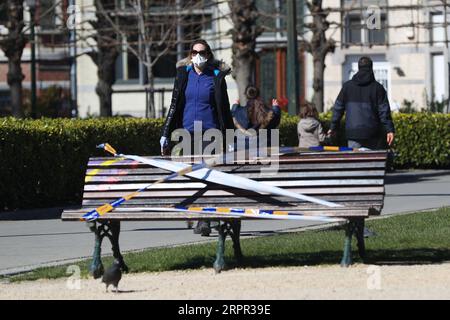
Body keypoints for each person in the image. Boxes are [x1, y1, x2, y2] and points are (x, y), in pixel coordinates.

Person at [160, 39, 234, 236]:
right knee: (192, 177)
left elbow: (225, 110)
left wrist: (230, 137)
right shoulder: (183, 75)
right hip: (186, 133)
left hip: (211, 134)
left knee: (208, 176)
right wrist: (165, 134)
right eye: (194, 52)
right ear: (190, 55)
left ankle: (204, 219)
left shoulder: (216, 77)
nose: (198, 56)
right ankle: (199, 214)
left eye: (202, 52)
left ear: (208, 55)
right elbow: (174, 105)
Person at [328, 56, 395, 150]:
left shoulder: (347, 87)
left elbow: (338, 109)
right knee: (372, 162)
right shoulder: (378, 88)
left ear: (358, 68)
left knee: (355, 162)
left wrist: (333, 127)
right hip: (372, 133)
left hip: (353, 133)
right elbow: (384, 112)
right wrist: (390, 130)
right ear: (371, 68)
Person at [231, 85, 281, 151]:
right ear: (258, 95)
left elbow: (233, 116)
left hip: (242, 147)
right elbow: (275, 122)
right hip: (264, 146)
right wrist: (276, 108)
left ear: (246, 95)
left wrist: (235, 106)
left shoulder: (238, 112)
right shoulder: (267, 113)